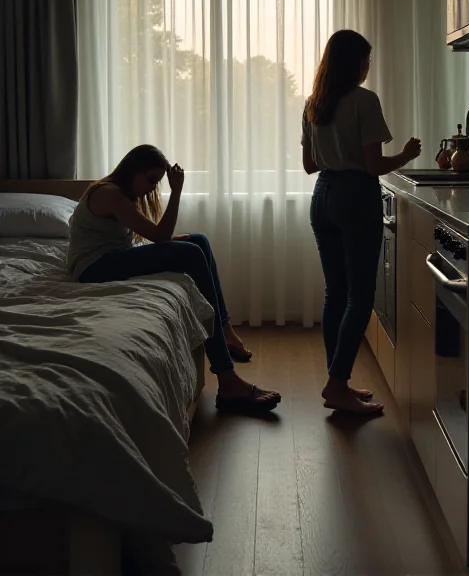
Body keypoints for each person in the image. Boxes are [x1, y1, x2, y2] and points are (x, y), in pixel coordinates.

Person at [67, 145, 280, 415]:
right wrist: (177, 190)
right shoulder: (109, 194)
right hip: (93, 268)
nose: (152, 189)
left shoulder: (120, 194)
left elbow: (152, 237)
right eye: (151, 180)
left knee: (198, 241)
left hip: (114, 257)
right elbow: (159, 235)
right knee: (190, 254)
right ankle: (227, 378)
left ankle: (223, 329)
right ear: (134, 170)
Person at [302, 30, 421, 416]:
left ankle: (337, 381)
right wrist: (405, 154)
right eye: (366, 60)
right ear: (355, 63)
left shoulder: (313, 104)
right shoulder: (364, 102)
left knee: (335, 292)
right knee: (360, 296)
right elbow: (373, 166)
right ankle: (338, 384)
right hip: (356, 198)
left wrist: (334, 154)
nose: (368, 67)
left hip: (322, 197)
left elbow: (309, 166)